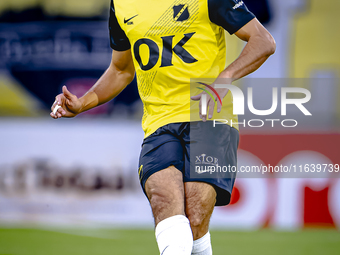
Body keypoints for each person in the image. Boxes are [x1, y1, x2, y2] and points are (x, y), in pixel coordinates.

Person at [50, 0, 275, 254]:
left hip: (209, 118)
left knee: (195, 218)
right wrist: (82, 102)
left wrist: (224, 78)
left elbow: (263, 41)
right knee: (163, 199)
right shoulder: (121, 4)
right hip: (159, 122)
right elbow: (121, 69)